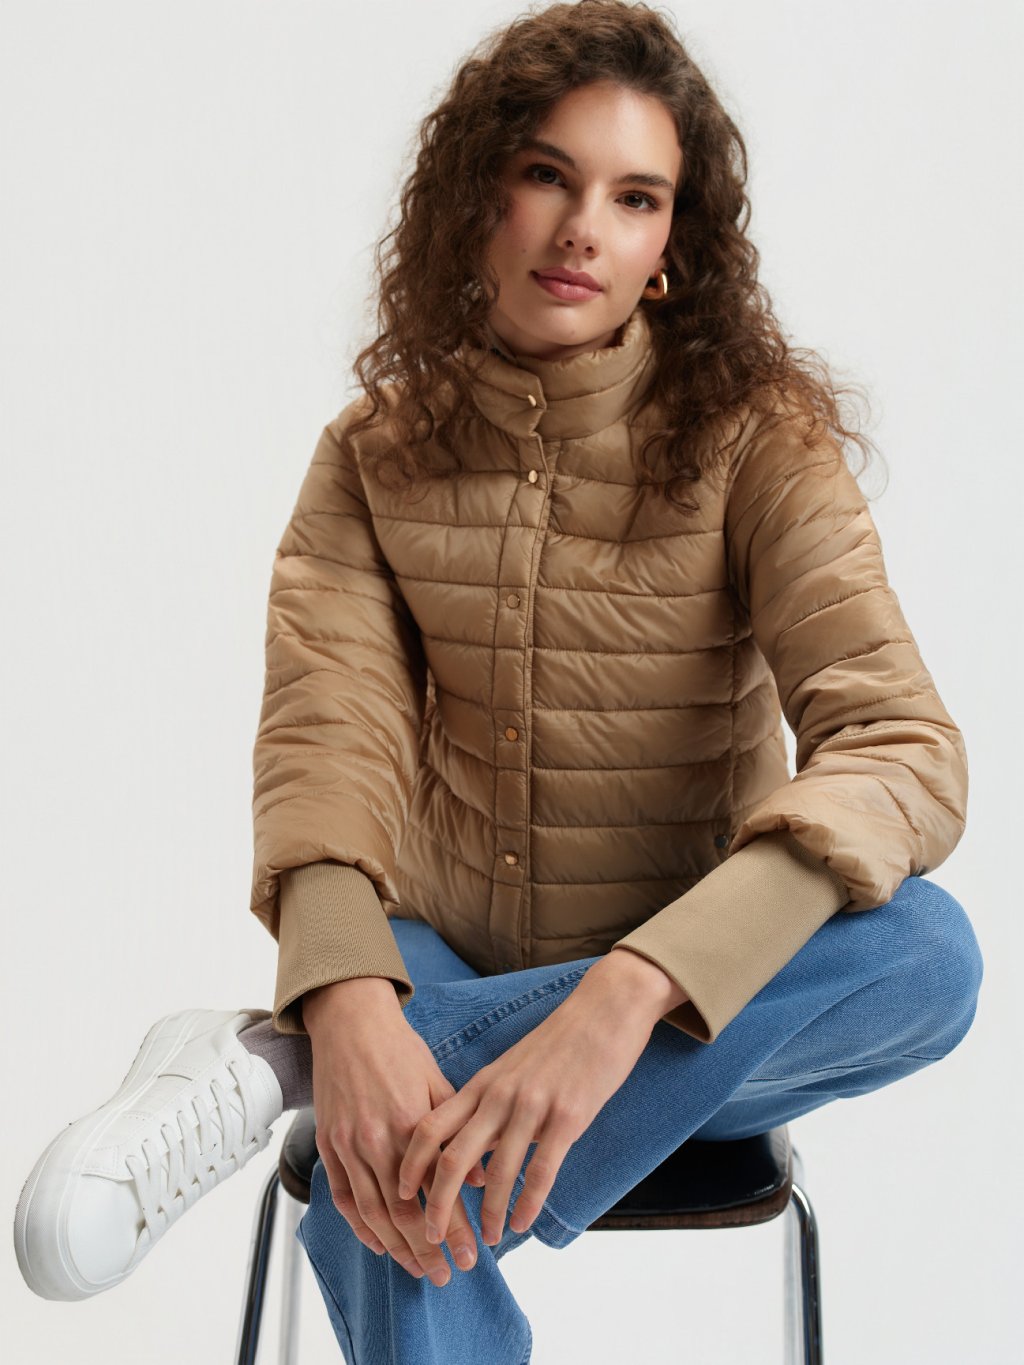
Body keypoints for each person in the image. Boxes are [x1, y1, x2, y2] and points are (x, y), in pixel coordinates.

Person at [14, 2, 983, 1360]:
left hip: (693, 999)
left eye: (635, 198)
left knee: (929, 956)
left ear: (669, 251)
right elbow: (326, 747)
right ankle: (360, 1068)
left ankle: (284, 1073)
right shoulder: (374, 455)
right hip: (445, 953)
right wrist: (351, 995)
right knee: (395, 1160)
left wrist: (628, 994)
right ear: (475, 198)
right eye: (546, 175)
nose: (583, 227)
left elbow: (899, 746)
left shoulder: (759, 444)